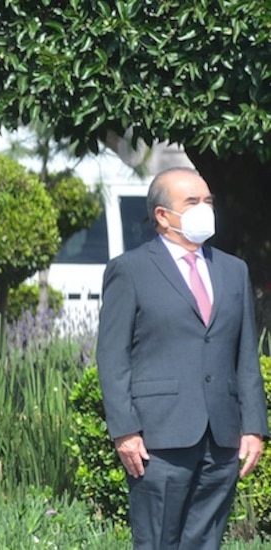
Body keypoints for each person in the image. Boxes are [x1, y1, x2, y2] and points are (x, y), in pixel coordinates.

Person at [97, 167, 268, 549]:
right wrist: (124, 430)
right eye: (192, 202)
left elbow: (245, 355)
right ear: (162, 215)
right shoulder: (131, 270)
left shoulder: (232, 270)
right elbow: (112, 356)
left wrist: (254, 426)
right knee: (159, 541)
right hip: (160, 439)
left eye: (207, 201)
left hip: (221, 439)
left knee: (205, 541)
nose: (204, 208)